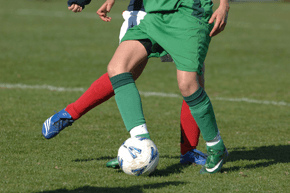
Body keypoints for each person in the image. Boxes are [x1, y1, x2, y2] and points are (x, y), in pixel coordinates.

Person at [42, 0, 208, 169]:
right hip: (145, 13)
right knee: (124, 73)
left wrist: (224, 5)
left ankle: (188, 151)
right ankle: (70, 115)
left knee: (194, 79)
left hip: (182, 14)